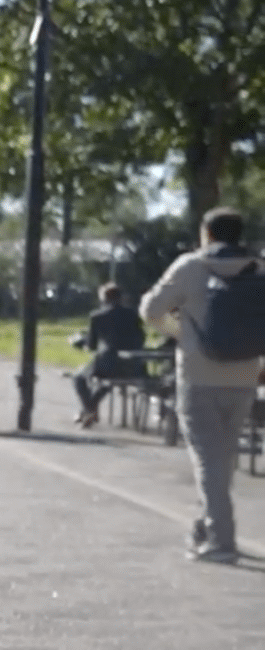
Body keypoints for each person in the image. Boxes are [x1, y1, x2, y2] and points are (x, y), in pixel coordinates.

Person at [141, 207, 263, 563]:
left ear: (206, 233)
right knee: (223, 456)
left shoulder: (191, 266)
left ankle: (221, 541)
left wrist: (182, 334)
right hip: (245, 374)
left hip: (199, 372)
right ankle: (205, 526)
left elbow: (150, 310)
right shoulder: (259, 269)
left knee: (208, 458)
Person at [68, 283, 147, 430]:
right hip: (134, 366)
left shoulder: (97, 316)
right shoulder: (133, 315)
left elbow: (91, 345)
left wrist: (79, 341)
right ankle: (90, 410)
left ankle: (89, 409)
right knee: (105, 383)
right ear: (121, 298)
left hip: (109, 364)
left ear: (104, 299)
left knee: (79, 378)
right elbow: (142, 338)